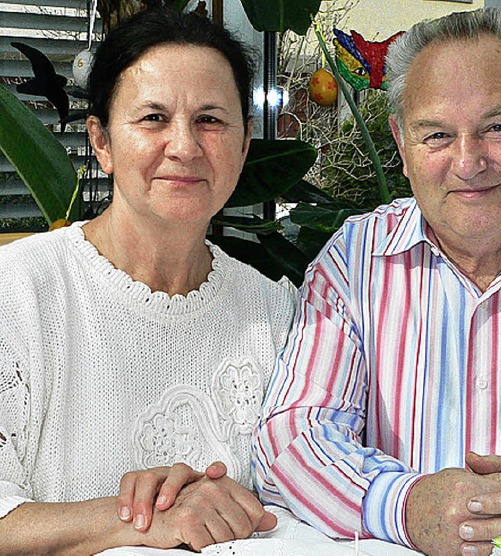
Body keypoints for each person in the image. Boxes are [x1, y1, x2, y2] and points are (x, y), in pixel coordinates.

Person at [253, 7, 501, 556]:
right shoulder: (354, 262)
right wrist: (405, 505)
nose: (467, 161)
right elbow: (291, 438)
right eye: (436, 134)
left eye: (497, 127)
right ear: (403, 146)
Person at [0, 7, 296, 554]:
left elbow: (303, 504)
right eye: (153, 118)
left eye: (210, 120)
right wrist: (138, 521)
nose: (184, 146)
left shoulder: (276, 312)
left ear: (245, 143)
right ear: (103, 143)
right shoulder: (17, 292)